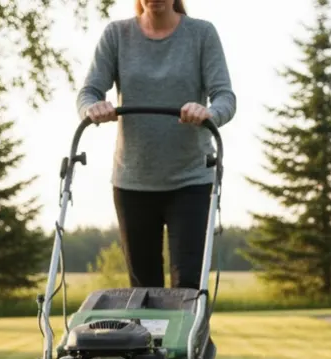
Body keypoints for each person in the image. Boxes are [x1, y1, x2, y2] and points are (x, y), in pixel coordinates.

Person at [76, 0, 236, 290]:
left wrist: (208, 113)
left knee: (188, 285)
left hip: (191, 181)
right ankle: (146, 337)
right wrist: (93, 108)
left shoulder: (201, 34)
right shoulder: (117, 35)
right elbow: (88, 92)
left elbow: (225, 96)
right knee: (143, 289)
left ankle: (193, 337)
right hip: (132, 183)